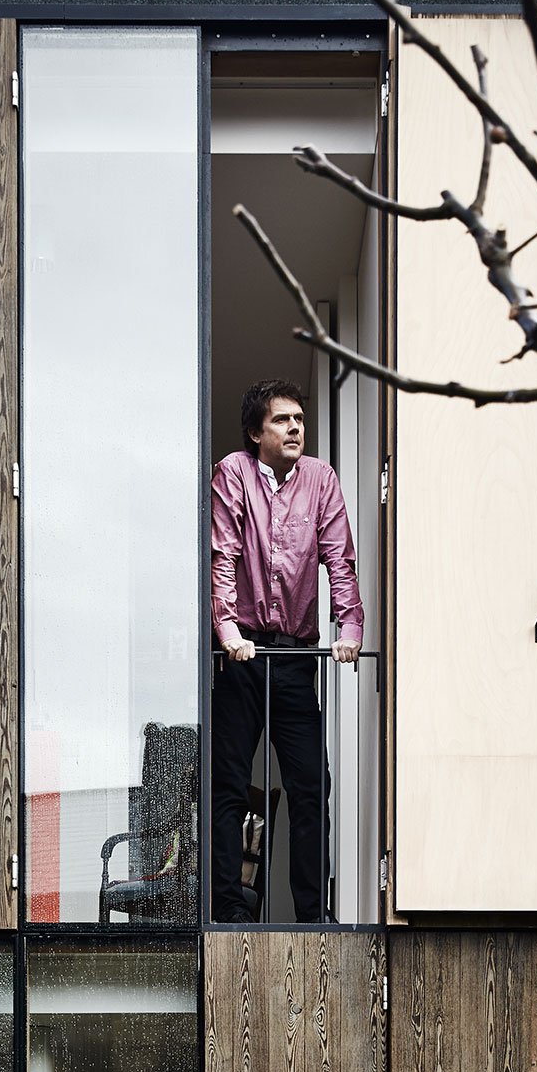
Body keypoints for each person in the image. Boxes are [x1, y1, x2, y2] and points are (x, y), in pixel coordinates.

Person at [211, 379, 364, 923]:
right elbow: (223, 554)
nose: (295, 426)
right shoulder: (234, 472)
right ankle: (228, 908)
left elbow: (339, 559)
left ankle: (312, 912)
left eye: (299, 418)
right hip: (242, 654)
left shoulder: (321, 479)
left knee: (309, 786)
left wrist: (349, 629)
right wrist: (227, 631)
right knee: (229, 783)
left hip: (296, 657)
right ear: (256, 433)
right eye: (281, 420)